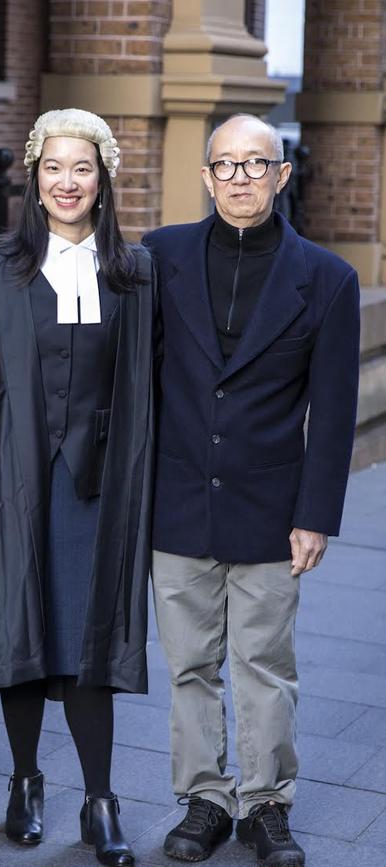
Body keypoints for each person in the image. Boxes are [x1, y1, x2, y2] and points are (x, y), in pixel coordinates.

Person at [144, 114, 360, 866]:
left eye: (256, 163)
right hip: (175, 502)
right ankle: (204, 798)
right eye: (226, 164)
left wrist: (316, 516)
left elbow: (333, 412)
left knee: (264, 665)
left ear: (282, 174)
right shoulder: (159, 255)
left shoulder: (328, 278)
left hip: (272, 508)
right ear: (206, 177)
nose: (240, 176)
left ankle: (265, 803)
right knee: (190, 666)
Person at [0, 109, 156, 867]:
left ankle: (100, 799)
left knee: (85, 638)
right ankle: (22, 782)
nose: (66, 182)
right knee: (22, 626)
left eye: (82, 168)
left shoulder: (133, 271)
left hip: (94, 486)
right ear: (34, 178)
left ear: (102, 177)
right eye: (53, 167)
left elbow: (147, 379)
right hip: (16, 477)